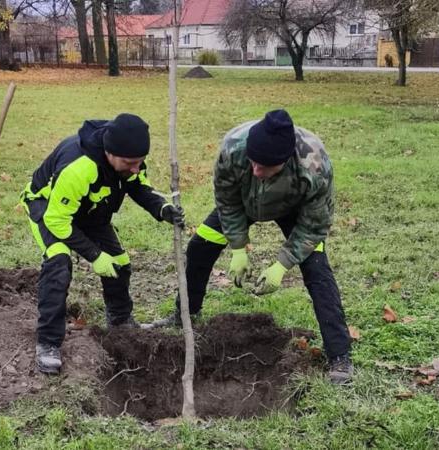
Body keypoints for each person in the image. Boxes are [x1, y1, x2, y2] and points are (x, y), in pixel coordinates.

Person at [150, 109, 353, 384]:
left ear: (284, 160)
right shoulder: (234, 147)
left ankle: (340, 355)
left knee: (317, 269)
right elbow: (227, 200)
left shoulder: (314, 166)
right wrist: (237, 246)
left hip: (293, 208)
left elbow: (314, 226)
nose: (256, 170)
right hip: (244, 202)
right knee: (199, 248)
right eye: (253, 162)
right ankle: (186, 313)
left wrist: (282, 265)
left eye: (264, 166)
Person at [22, 113, 184, 375]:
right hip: (48, 209)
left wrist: (162, 208)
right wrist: (94, 255)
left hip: (90, 210)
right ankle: (48, 343)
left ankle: (120, 323)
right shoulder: (79, 166)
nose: (135, 167)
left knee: (119, 263)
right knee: (58, 262)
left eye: (139, 162)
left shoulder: (128, 157)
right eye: (130, 162)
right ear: (109, 152)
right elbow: (57, 221)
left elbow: (138, 185)